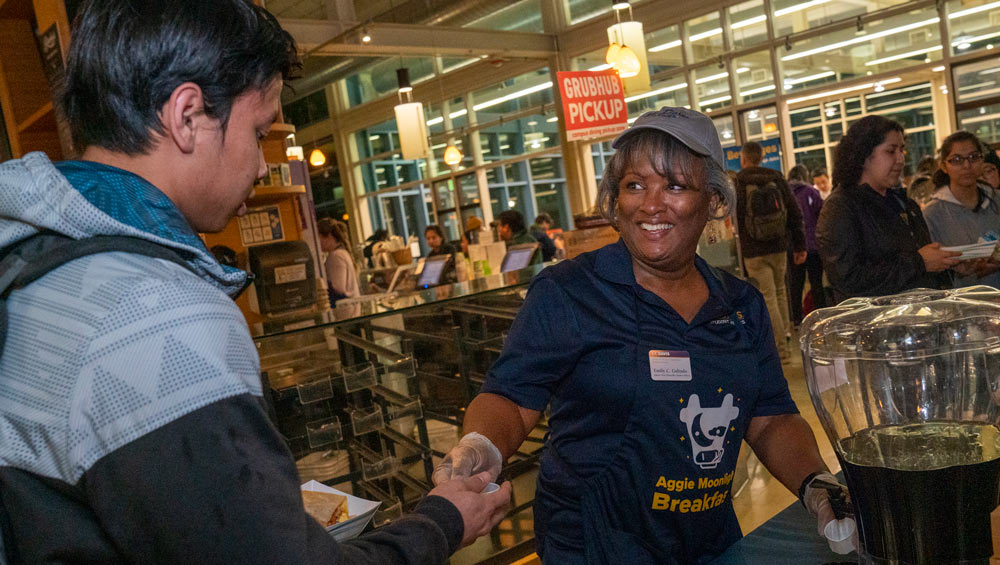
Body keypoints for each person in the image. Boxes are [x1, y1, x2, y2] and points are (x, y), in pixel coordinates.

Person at [0, 1, 510, 562]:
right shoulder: (156, 312)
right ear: (188, 115)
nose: (263, 165)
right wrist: (441, 521)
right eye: (258, 131)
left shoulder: (35, 261)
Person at [432, 107, 847, 563]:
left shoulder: (740, 305)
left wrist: (815, 484)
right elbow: (511, 398)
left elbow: (770, 419)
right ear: (615, 198)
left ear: (712, 200)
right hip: (597, 546)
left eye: (675, 185)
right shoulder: (570, 292)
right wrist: (481, 445)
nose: (651, 204)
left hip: (710, 543)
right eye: (634, 185)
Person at [816, 115, 958, 302]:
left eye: (902, 150)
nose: (900, 159)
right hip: (876, 325)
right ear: (864, 155)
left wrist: (948, 265)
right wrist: (919, 262)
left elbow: (920, 263)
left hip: (920, 318)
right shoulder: (840, 208)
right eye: (891, 151)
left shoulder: (904, 203)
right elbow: (848, 279)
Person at [735, 141, 807, 359]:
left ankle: (781, 350)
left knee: (768, 297)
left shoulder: (739, 181)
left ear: (744, 158)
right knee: (780, 292)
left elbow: (737, 217)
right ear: (761, 157)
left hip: (754, 250)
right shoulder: (776, 178)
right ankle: (786, 339)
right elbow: (795, 212)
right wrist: (800, 244)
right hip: (778, 246)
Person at [922, 131, 1000, 288]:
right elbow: (929, 269)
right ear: (944, 166)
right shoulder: (932, 213)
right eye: (956, 160)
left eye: (974, 157)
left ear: (982, 159)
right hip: (961, 302)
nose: (967, 166)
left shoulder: (996, 200)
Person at [786, 164, 826, 326]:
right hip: (814, 247)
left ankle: (797, 318)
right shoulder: (812, 193)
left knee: (796, 285)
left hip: (794, 247)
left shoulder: (786, 194)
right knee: (816, 283)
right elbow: (822, 217)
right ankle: (821, 315)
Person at [318, 218, 360, 303]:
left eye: (319, 237)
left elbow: (338, 287)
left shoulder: (336, 256)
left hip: (344, 310)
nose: (318, 242)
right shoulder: (342, 253)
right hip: (351, 308)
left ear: (329, 237)